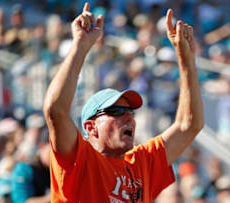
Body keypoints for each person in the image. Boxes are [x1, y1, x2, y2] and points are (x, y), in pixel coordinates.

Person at [42, 2, 203, 203]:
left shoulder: (141, 163)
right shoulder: (79, 159)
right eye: (117, 110)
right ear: (91, 127)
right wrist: (80, 46)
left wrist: (187, 59)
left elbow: (189, 125)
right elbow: (55, 110)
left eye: (130, 111)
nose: (129, 117)